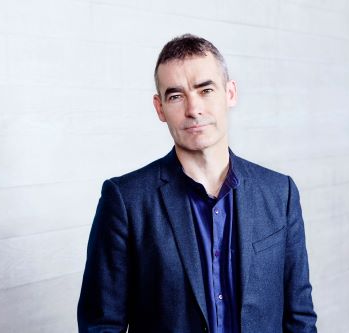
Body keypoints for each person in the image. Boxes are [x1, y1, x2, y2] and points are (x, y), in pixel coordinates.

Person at [77, 33, 317, 333]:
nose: (193, 109)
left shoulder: (280, 193)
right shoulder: (125, 200)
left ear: (230, 93)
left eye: (206, 90)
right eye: (176, 96)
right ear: (159, 108)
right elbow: (101, 325)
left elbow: (300, 318)